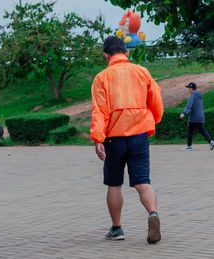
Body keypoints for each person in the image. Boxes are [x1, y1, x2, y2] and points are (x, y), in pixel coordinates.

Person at [90, 36, 164, 243]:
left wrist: (98, 139)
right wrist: (153, 120)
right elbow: (156, 98)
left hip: (114, 138)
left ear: (106, 55)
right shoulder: (142, 72)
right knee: (142, 182)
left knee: (114, 184)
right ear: (127, 53)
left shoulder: (102, 78)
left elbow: (100, 112)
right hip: (140, 135)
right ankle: (153, 214)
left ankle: (116, 228)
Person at [180, 82, 214, 151]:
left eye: (189, 88)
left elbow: (189, 105)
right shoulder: (199, 96)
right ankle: (211, 142)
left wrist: (184, 113)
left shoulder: (193, 95)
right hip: (201, 116)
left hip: (194, 117)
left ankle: (189, 146)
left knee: (190, 131)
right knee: (202, 130)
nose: (188, 89)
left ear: (191, 88)